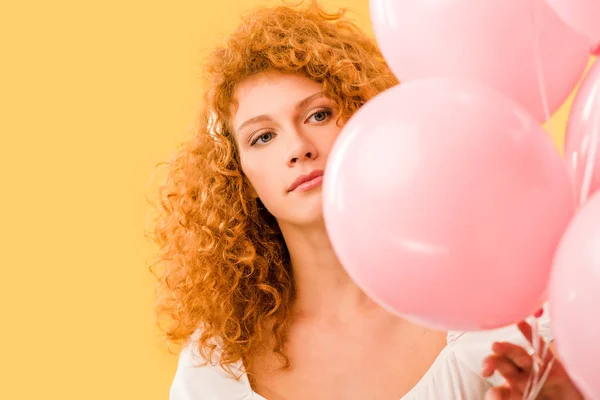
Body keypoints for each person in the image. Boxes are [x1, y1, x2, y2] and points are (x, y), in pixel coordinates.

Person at [150, 1, 584, 398]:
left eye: (319, 114)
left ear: (369, 117)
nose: (298, 147)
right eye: (263, 137)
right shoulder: (214, 371)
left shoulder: (495, 317)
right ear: (238, 177)